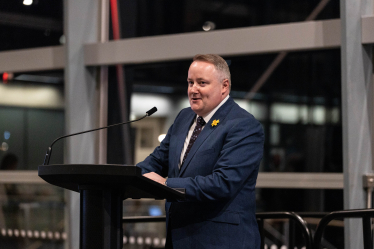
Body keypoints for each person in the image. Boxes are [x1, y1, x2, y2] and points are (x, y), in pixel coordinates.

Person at [137, 54, 264, 249]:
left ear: (224, 86)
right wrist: (131, 176)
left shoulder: (243, 125)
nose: (193, 90)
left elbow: (222, 183)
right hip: (179, 238)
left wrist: (165, 183)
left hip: (221, 242)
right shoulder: (183, 118)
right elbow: (155, 162)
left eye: (202, 83)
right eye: (190, 82)